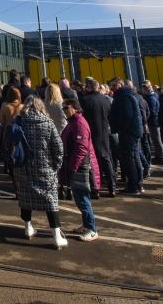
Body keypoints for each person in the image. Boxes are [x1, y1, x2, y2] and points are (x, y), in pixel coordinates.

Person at [11, 96, 67, 249]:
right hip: (45, 167)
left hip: (23, 167)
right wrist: (56, 165)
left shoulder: (19, 122)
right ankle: (56, 234)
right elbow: (58, 148)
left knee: (25, 197)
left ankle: (28, 227)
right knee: (50, 201)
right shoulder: (47, 123)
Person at [60, 98, 99, 241]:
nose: (64, 111)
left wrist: (72, 167)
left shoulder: (79, 123)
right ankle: (86, 224)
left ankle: (91, 228)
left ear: (75, 108)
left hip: (80, 166)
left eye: (66, 107)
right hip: (76, 164)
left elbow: (81, 148)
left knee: (82, 197)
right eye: (62, 108)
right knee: (79, 197)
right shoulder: (74, 122)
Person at [108, 78, 144, 195]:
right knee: (133, 156)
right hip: (133, 130)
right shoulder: (128, 94)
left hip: (129, 131)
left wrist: (121, 129)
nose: (111, 88)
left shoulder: (123, 96)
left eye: (113, 86)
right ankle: (137, 183)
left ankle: (133, 185)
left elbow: (127, 115)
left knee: (129, 158)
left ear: (119, 84)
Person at [80, 78, 115, 197]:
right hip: (104, 132)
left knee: (92, 162)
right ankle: (112, 186)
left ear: (89, 87)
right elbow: (110, 115)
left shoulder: (85, 100)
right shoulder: (105, 100)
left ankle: (95, 188)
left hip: (90, 133)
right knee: (106, 159)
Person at [141, 81, 163, 165]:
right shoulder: (154, 96)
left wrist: (147, 120)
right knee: (156, 139)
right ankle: (160, 156)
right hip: (155, 121)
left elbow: (152, 112)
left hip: (153, 122)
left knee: (156, 139)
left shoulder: (150, 98)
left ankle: (161, 157)